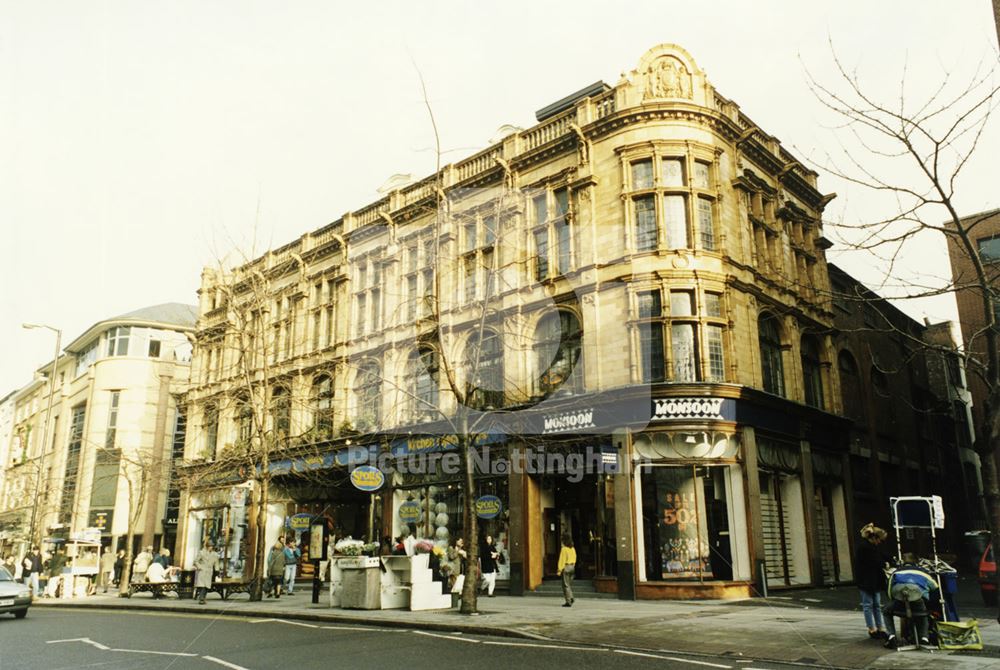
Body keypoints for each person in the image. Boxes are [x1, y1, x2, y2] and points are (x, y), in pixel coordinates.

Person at [882, 552, 940, 649]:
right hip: (919, 605)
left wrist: (896, 600)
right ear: (916, 562)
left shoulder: (895, 573)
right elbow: (935, 587)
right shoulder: (924, 572)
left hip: (900, 605)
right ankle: (924, 638)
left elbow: (889, 591)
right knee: (924, 614)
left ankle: (891, 636)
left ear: (903, 562)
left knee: (885, 611)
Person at [854, 523, 889, 640]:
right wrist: (887, 564)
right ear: (875, 538)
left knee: (872, 605)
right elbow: (876, 561)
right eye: (880, 540)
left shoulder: (867, 547)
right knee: (872, 605)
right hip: (868, 580)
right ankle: (875, 628)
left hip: (869, 580)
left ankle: (876, 628)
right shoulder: (866, 548)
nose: (880, 542)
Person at [558, 535, 576, 608]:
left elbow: (562, 560)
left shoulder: (564, 549)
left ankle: (568, 601)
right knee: (568, 584)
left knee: (565, 585)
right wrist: (573, 565)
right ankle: (571, 597)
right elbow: (575, 557)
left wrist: (559, 570)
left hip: (566, 567)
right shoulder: (572, 548)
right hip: (572, 566)